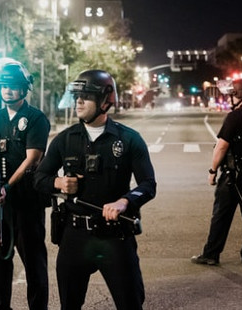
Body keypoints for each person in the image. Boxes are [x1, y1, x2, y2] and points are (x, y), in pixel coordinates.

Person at [34, 69, 156, 310]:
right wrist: (58, 183)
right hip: (74, 235)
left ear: (105, 101)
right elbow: (38, 179)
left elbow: (148, 185)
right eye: (77, 96)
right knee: (70, 304)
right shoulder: (64, 140)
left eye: (86, 96)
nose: (78, 102)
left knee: (131, 303)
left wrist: (125, 202)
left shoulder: (129, 139)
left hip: (115, 236)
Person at [0, 58, 50, 310]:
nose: (7, 90)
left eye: (13, 85)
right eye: (3, 85)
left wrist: (9, 186)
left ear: (24, 88)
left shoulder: (36, 118)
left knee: (34, 263)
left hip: (27, 201)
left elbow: (33, 159)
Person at [191, 78, 242, 267]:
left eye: (230, 95)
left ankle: (211, 254)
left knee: (222, 213)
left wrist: (212, 170)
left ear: (237, 95)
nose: (229, 99)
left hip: (233, 173)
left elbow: (221, 147)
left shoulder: (235, 116)